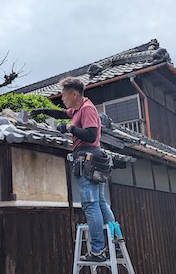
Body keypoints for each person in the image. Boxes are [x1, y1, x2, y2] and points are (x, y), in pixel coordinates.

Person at [31, 76, 115, 262]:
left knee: (91, 205)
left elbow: (91, 134)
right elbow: (62, 114)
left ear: (74, 94)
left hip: (87, 157)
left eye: (64, 95)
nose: (62, 98)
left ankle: (97, 251)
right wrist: (42, 111)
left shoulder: (86, 109)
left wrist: (70, 128)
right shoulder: (79, 108)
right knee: (100, 202)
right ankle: (114, 244)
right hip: (93, 157)